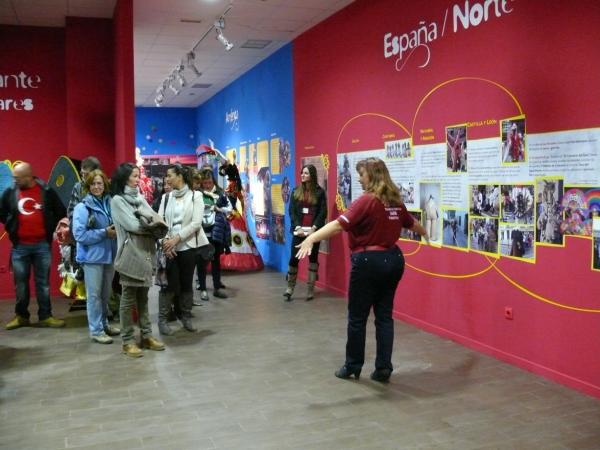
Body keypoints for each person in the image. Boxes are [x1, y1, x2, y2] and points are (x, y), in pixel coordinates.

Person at [296, 157, 429, 383]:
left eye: (362, 174)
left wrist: (312, 238)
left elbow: (339, 224)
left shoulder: (366, 201)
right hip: (393, 260)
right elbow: (411, 224)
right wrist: (426, 233)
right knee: (384, 316)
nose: (358, 178)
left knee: (357, 317)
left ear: (373, 176)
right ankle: (383, 368)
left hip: (368, 261)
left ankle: (352, 366)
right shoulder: (395, 201)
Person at [0, 162, 66, 329]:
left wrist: (51, 228)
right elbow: (1, 211)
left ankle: (45, 316)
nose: (14, 181)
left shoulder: (46, 191)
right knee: (20, 285)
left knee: (43, 284)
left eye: (17, 178)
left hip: (42, 246)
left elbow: (60, 211)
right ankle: (21, 316)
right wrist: (9, 224)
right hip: (20, 247)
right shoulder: (10, 191)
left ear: (29, 177)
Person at [110, 163, 165, 357]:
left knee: (143, 298)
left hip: (147, 253)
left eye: (137, 175)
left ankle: (147, 336)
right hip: (130, 255)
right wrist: (152, 224)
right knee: (127, 300)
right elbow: (133, 225)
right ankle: (127, 341)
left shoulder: (139, 197)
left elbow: (154, 217)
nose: (137, 179)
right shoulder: (117, 200)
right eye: (134, 176)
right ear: (125, 178)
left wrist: (153, 222)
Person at [156, 164, 207, 335]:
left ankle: (185, 317)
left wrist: (176, 239)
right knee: (167, 285)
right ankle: (162, 320)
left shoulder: (196, 196)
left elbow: (196, 223)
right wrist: (165, 243)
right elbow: (160, 223)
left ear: (180, 176)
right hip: (169, 248)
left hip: (187, 246)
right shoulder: (166, 198)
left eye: (169, 175)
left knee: (186, 283)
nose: (166, 179)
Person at [72, 169, 120, 343]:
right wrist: (104, 233)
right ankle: (96, 330)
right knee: (94, 296)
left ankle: (104, 324)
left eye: (100, 183)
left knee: (106, 294)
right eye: (93, 184)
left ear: (105, 184)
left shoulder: (110, 204)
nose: (97, 187)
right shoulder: (82, 207)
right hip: (92, 258)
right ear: (88, 186)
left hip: (110, 255)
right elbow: (80, 235)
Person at [283, 164, 327, 301]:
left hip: (313, 232)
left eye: (306, 173)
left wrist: (314, 228)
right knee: (293, 258)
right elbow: (292, 212)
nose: (302, 175)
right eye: (302, 173)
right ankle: (290, 288)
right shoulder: (296, 191)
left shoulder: (319, 192)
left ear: (312, 175)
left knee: (313, 259)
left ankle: (310, 289)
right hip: (299, 232)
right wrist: (298, 227)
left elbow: (322, 212)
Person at [195, 168, 232, 301]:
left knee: (216, 261)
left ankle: (217, 288)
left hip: (217, 232)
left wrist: (218, 209)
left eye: (209, 182)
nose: (207, 185)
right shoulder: (197, 194)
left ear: (213, 181)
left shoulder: (220, 193)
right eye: (204, 183)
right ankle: (203, 288)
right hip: (202, 233)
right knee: (201, 262)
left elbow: (229, 209)